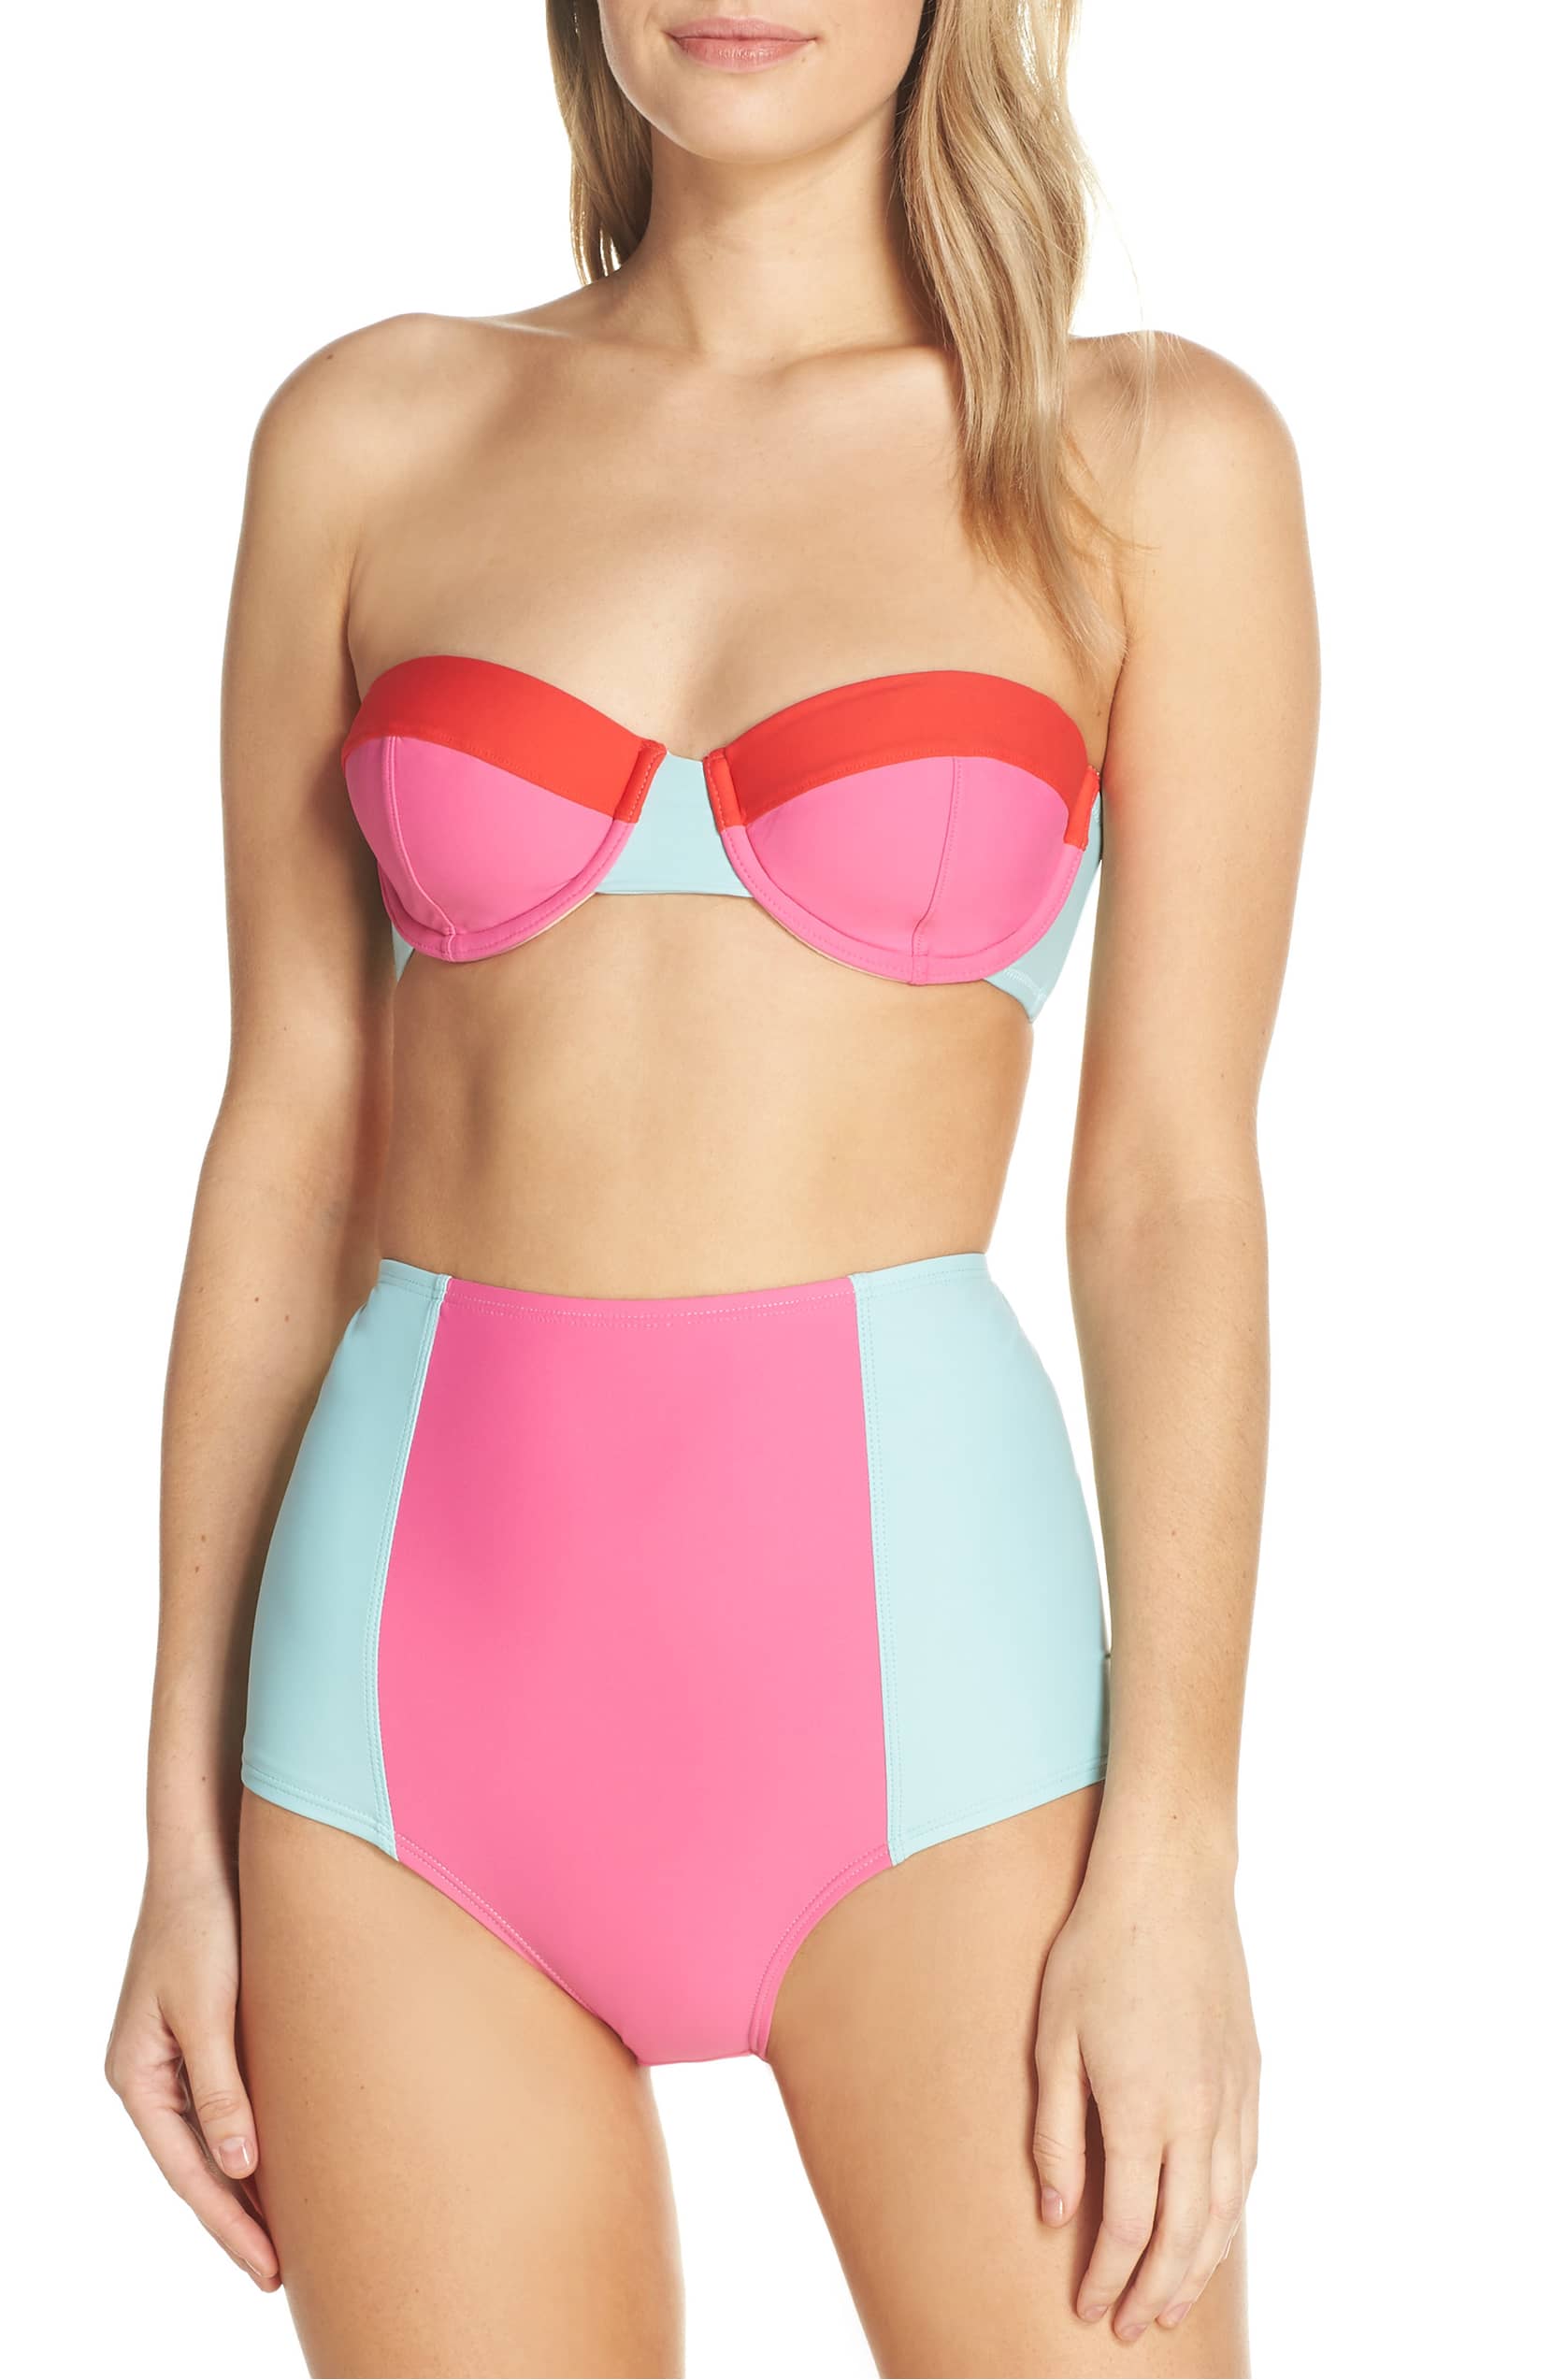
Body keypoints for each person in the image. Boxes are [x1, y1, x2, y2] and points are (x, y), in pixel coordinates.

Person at [105, 6, 1318, 2373]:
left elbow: (1169, 1190)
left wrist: (1176, 1852)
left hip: (937, 1711)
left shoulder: (1145, 457)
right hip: (392, 1729)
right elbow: (282, 1139)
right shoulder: (371, 429)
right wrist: (179, 1827)